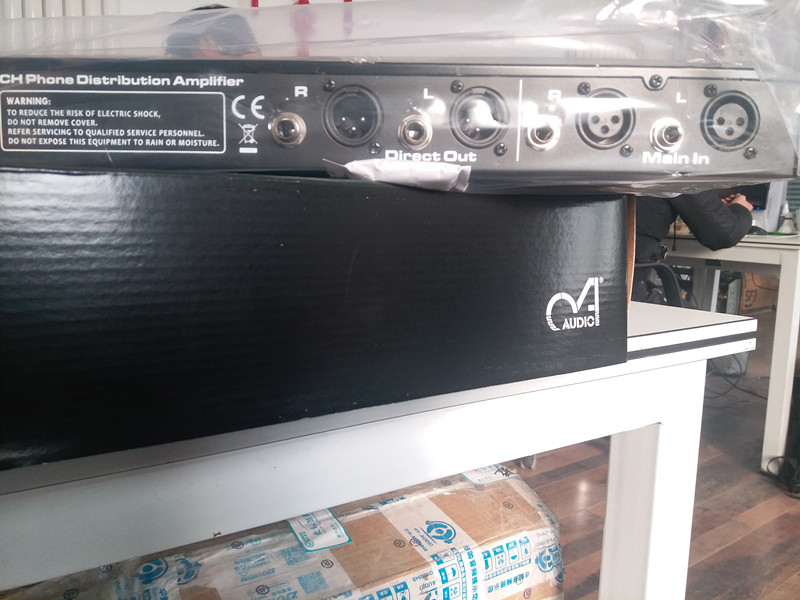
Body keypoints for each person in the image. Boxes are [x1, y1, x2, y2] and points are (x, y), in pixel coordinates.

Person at [632, 189, 753, 304]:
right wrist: (740, 208)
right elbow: (724, 234)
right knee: (697, 316)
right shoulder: (680, 175)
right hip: (629, 286)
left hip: (625, 277)